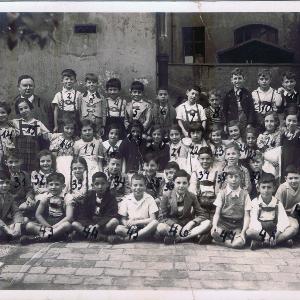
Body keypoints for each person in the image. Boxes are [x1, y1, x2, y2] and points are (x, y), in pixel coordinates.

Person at [157, 169, 211, 244]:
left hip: (187, 225)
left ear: (188, 184)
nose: (181, 186)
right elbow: (161, 217)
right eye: (178, 183)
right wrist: (174, 224)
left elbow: (202, 214)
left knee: (207, 223)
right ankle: (192, 236)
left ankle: (180, 239)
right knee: (160, 227)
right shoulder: (166, 195)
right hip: (173, 226)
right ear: (173, 183)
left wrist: (192, 223)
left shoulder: (192, 196)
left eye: (184, 183)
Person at [20, 172, 73, 244]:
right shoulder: (45, 196)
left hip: (61, 223)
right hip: (48, 223)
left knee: (67, 225)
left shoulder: (67, 197)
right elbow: (38, 214)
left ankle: (39, 238)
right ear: (47, 186)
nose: (53, 187)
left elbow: (69, 217)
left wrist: (56, 226)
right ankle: (56, 236)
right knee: (29, 226)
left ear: (63, 186)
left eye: (57, 184)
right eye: (51, 184)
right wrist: (48, 226)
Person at [247, 173, 295, 250]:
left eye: (269, 187)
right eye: (263, 187)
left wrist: (275, 235)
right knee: (249, 232)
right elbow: (254, 222)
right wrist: (265, 235)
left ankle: (263, 243)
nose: (266, 190)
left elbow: (283, 221)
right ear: (258, 188)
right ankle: (282, 242)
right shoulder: (255, 202)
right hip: (261, 231)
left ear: (274, 188)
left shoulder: (277, 202)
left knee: (292, 229)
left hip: (274, 230)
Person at [70, 172, 120, 243]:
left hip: (103, 225)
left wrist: (98, 225)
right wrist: (90, 225)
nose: (100, 187)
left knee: (114, 221)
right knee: (74, 224)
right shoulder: (88, 196)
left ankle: (88, 235)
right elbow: (83, 215)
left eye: (103, 184)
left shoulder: (111, 197)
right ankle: (103, 237)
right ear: (92, 185)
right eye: (97, 184)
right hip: (91, 224)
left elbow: (111, 215)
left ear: (107, 184)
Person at [211, 166, 251, 249]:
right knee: (214, 233)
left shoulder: (245, 194)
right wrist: (214, 225)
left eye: (236, 177)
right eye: (231, 177)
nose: (234, 180)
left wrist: (243, 231)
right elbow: (217, 213)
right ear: (226, 179)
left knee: (239, 242)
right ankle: (229, 242)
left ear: (241, 178)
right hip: (223, 224)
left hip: (237, 226)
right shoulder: (222, 193)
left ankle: (222, 242)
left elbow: (247, 216)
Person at [115, 173, 159, 242]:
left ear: (145, 186)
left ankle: (128, 239)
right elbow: (123, 219)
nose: (138, 188)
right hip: (132, 228)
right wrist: (127, 223)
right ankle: (142, 236)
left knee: (155, 223)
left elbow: (152, 219)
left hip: (145, 226)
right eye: (135, 185)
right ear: (131, 187)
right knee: (118, 229)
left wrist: (136, 222)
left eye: (141, 185)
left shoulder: (149, 198)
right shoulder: (127, 199)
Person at [12, 98, 49, 172]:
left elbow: (49, 136)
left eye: (26, 107)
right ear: (18, 111)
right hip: (20, 158)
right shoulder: (15, 123)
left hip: (34, 157)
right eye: (21, 109)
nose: (24, 110)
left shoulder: (38, 123)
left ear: (30, 107)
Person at [223, 68, 256, 135]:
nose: (237, 81)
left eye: (239, 78)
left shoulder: (247, 94)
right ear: (231, 80)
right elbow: (224, 110)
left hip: (244, 120)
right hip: (232, 120)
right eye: (235, 78)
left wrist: (250, 123)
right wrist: (225, 124)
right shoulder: (228, 94)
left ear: (243, 79)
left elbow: (251, 109)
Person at [73, 119, 104, 185]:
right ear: (81, 132)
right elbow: (75, 160)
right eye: (84, 130)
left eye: (89, 130)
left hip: (94, 166)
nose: (87, 132)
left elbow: (100, 161)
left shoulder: (98, 142)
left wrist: (101, 172)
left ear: (93, 130)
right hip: (82, 168)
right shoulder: (77, 143)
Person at [275, 165, 300, 245]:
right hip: (285, 215)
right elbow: (277, 207)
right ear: (286, 178)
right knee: (294, 228)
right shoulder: (282, 188)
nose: (293, 181)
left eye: (296, 178)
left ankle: (287, 239)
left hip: (297, 214)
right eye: (290, 178)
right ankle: (271, 242)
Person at [79, 73, 106, 137]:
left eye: (93, 82)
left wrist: (103, 126)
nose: (91, 84)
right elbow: (79, 110)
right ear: (86, 84)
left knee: (97, 139)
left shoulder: (102, 98)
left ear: (97, 84)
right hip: (85, 124)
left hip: (97, 124)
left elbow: (104, 113)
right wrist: (81, 121)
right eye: (89, 82)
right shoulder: (81, 96)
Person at [0, 170, 24, 242]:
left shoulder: (9, 196)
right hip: (1, 224)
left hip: (2, 222)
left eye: (7, 183)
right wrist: (7, 229)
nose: (5, 185)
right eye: (1, 183)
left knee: (24, 220)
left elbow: (16, 211)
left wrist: (17, 225)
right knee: (2, 233)